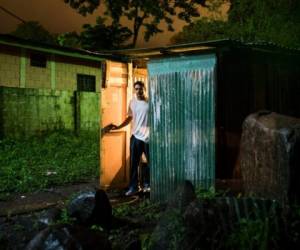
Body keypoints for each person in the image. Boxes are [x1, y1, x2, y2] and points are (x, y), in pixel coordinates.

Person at [111, 81, 150, 196]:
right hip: (136, 137)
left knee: (150, 163)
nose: (139, 91)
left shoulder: (150, 102)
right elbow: (129, 118)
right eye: (137, 89)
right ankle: (134, 187)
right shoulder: (132, 103)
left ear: (145, 89)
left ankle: (147, 185)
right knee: (134, 164)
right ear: (134, 90)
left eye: (141, 88)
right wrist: (119, 127)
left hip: (148, 137)